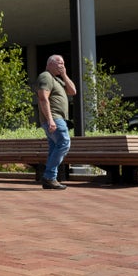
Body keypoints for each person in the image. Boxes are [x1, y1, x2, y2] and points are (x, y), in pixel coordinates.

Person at [36, 55, 77, 190]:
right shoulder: (46, 76)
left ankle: (50, 178)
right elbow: (43, 98)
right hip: (54, 118)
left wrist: (64, 75)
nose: (62, 65)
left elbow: (73, 91)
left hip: (57, 119)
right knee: (64, 143)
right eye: (59, 63)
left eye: (63, 63)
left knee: (55, 147)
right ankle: (49, 177)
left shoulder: (58, 80)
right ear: (50, 64)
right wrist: (50, 120)